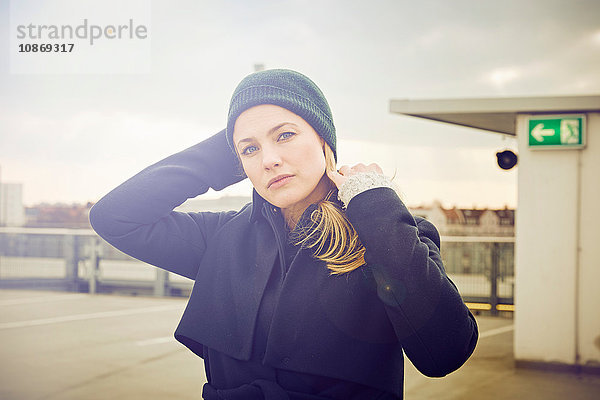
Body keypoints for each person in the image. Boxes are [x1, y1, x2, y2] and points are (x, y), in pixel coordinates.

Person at [89, 69, 478, 400]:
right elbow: (115, 216)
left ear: (324, 140)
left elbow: (445, 352)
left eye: (286, 135)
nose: (269, 159)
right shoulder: (223, 237)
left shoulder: (386, 233)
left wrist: (375, 203)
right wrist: (232, 142)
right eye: (249, 150)